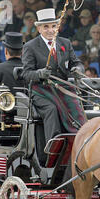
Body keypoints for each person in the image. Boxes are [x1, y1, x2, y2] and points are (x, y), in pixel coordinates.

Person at [21, 8, 86, 144]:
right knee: (52, 109)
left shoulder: (65, 43)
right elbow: (26, 74)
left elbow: (77, 63)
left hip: (62, 88)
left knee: (75, 105)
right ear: (39, 29)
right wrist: (39, 74)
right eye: (46, 27)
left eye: (53, 26)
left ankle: (81, 138)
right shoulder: (30, 46)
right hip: (40, 90)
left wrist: (77, 69)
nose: (50, 30)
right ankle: (54, 144)